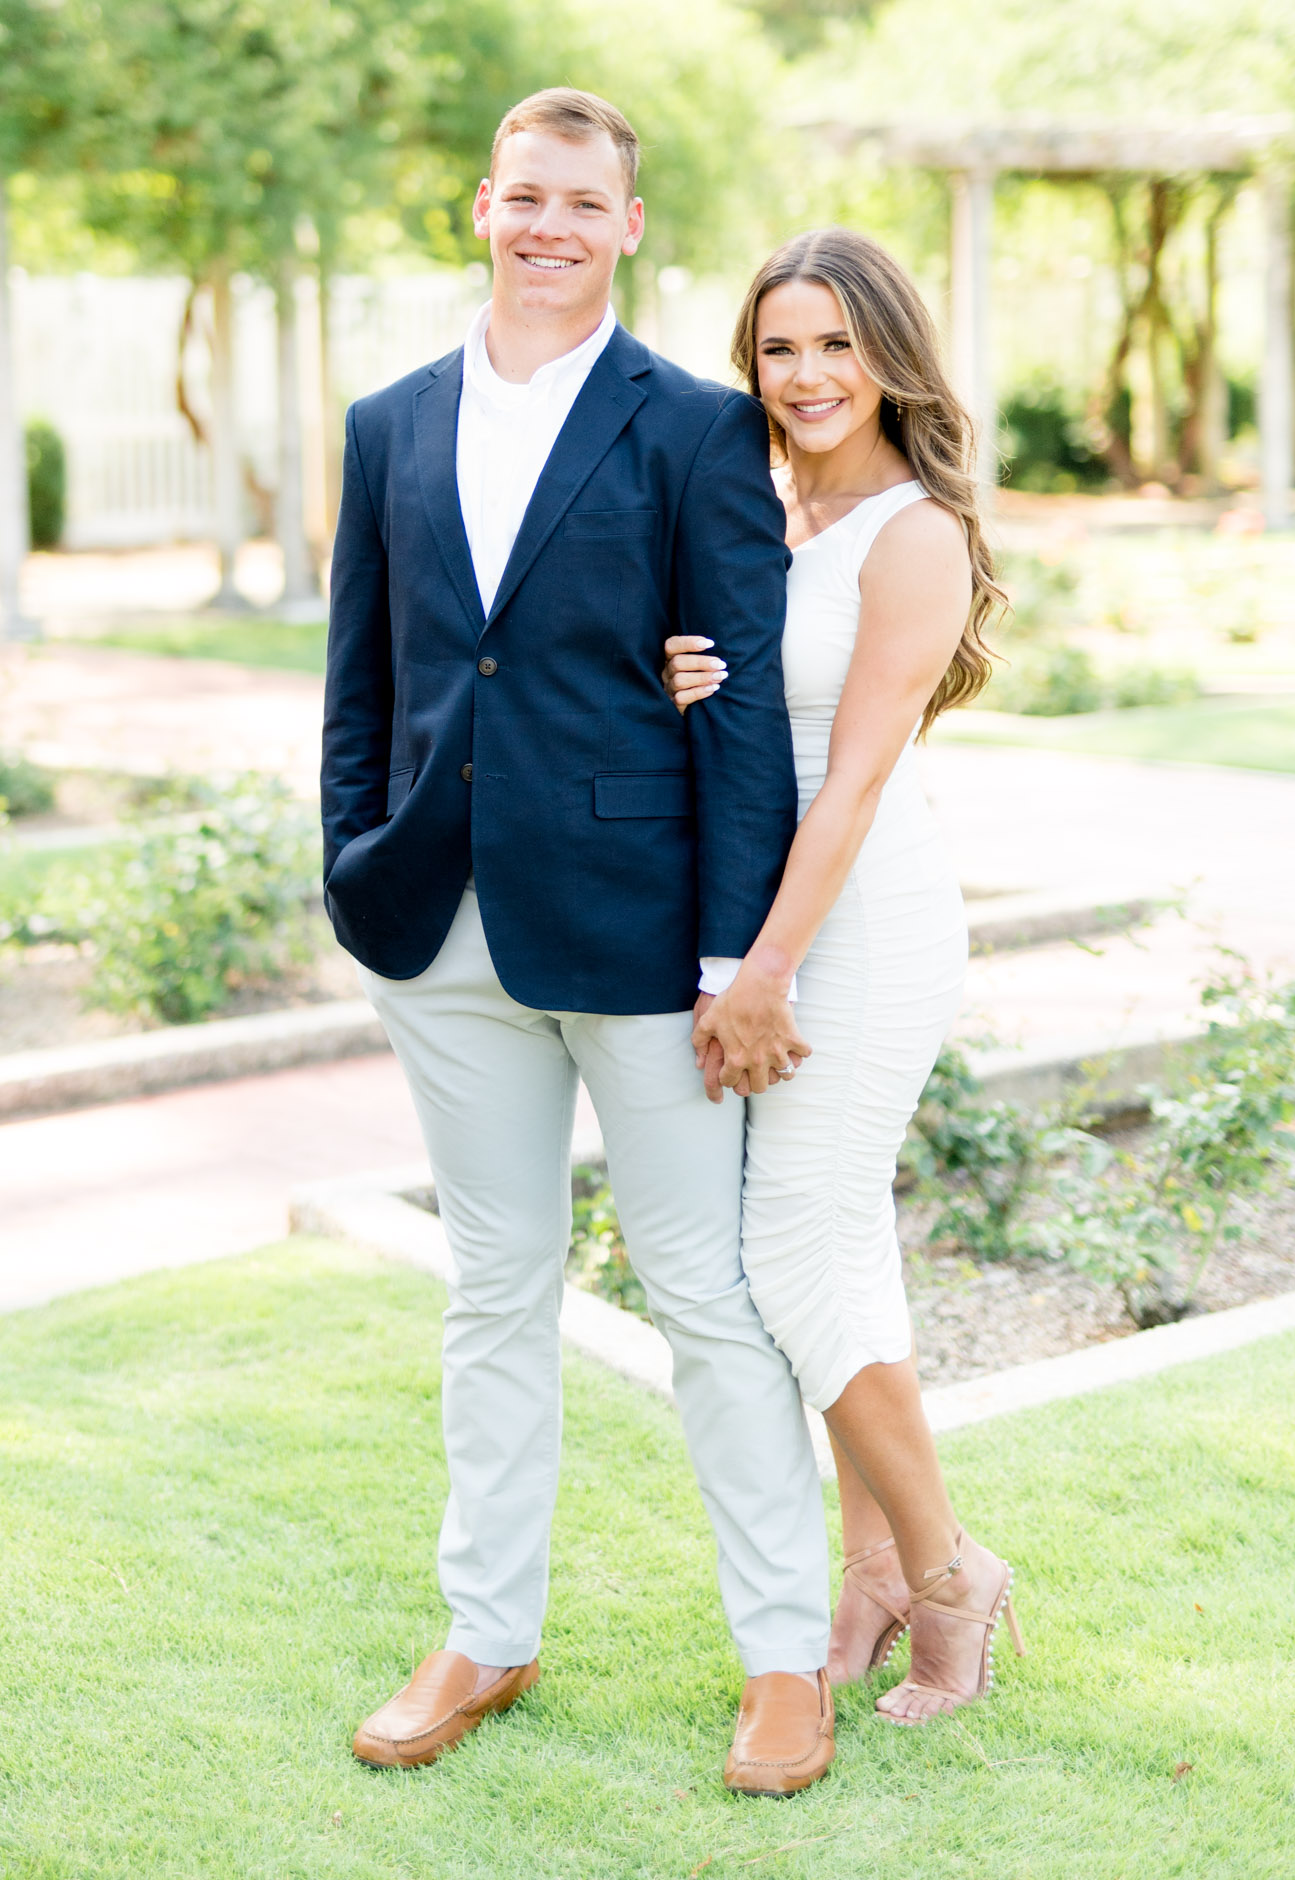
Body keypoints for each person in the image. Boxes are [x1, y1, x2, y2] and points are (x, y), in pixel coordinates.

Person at [321, 90, 836, 1795]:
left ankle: (781, 1661)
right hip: (437, 933)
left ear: (627, 227)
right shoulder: (388, 420)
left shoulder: (693, 427)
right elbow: (370, 677)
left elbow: (742, 705)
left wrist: (725, 957)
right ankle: (487, 1629)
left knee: (705, 1296)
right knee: (493, 1288)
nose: (548, 222)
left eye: (582, 201)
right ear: (484, 205)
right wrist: (357, 862)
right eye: (523, 194)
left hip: (641, 935)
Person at [663, 228, 1026, 1726]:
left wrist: (767, 969)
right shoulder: (765, 503)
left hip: (852, 929)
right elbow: (754, 715)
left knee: (792, 1260)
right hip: (776, 914)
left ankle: (949, 1578)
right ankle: (870, 1573)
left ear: (889, 353)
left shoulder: (914, 530)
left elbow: (857, 777)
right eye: (778, 347)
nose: (806, 376)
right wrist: (684, 677)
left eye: (835, 344)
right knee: (837, 1256)